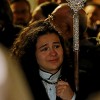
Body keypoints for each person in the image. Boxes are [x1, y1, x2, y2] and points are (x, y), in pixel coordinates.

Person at [11, 20, 76, 100]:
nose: (53, 53)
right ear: (32, 54)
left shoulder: (80, 79)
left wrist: (72, 98)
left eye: (56, 46)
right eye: (45, 49)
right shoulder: (21, 84)